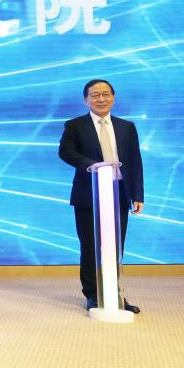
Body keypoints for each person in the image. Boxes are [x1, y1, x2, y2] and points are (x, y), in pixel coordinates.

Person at [57, 79, 143, 313]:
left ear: (113, 97)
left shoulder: (126, 127)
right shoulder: (75, 125)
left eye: (106, 94)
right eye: (95, 95)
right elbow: (65, 152)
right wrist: (93, 166)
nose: (101, 99)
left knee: (116, 246)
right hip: (88, 194)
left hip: (119, 193)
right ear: (86, 100)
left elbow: (135, 161)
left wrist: (137, 194)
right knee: (90, 245)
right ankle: (93, 294)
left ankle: (114, 294)